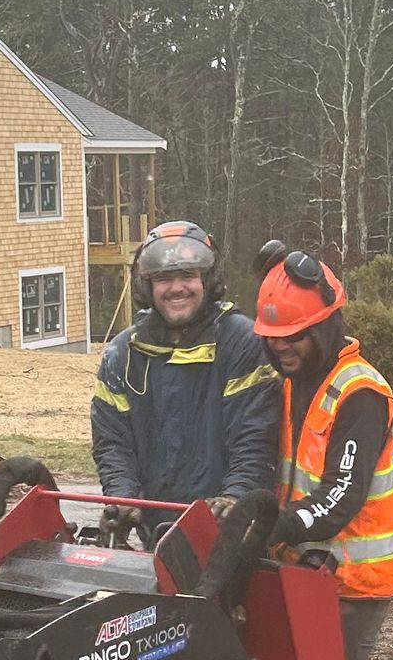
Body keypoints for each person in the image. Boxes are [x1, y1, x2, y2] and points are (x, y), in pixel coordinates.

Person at [253, 245, 393, 660]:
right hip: (304, 567)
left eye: (292, 335)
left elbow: (341, 496)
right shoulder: (293, 382)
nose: (279, 345)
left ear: (324, 327)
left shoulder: (360, 393)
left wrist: (272, 526)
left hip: (354, 581)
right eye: (272, 335)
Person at [91, 220, 280, 523]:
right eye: (164, 278)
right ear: (145, 286)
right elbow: (112, 441)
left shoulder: (242, 343)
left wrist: (236, 497)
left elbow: (254, 436)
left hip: (226, 530)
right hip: (152, 529)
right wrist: (123, 495)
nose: (177, 288)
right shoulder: (123, 353)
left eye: (188, 276)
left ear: (209, 281)